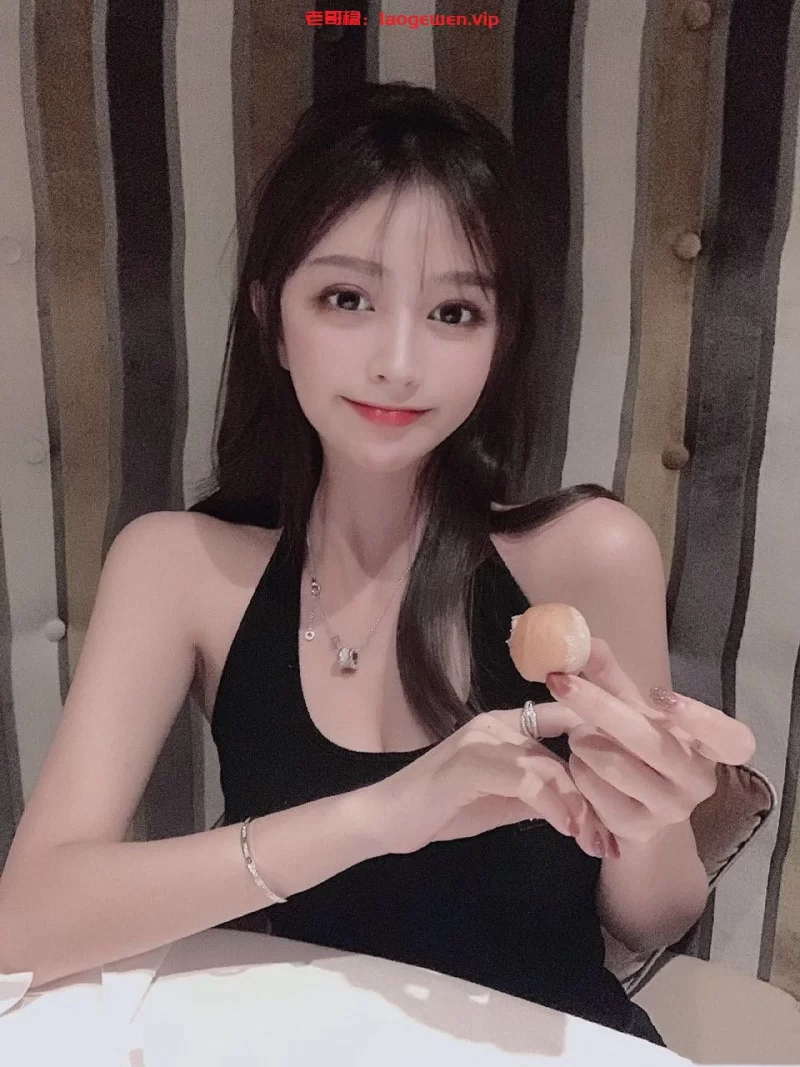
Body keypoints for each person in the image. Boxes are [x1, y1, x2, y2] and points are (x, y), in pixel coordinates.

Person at [0, 82, 755, 1048]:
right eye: (347, 298)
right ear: (273, 319)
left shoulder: (587, 555)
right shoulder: (181, 569)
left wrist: (646, 816)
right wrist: (383, 814)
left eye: (454, 312)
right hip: (294, 1039)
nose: (399, 361)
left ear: (500, 341)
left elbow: (652, 919)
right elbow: (27, 921)